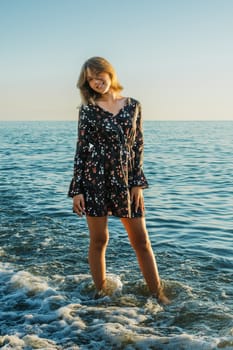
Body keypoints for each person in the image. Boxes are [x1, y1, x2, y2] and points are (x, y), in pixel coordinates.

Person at [68, 56, 169, 304]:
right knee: (99, 240)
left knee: (141, 241)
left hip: (126, 181)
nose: (95, 82)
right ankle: (100, 292)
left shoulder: (134, 105)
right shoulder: (88, 110)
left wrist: (137, 184)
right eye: (89, 79)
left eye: (97, 75)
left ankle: (158, 294)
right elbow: (82, 150)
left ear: (109, 73)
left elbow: (138, 146)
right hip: (94, 179)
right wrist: (77, 190)